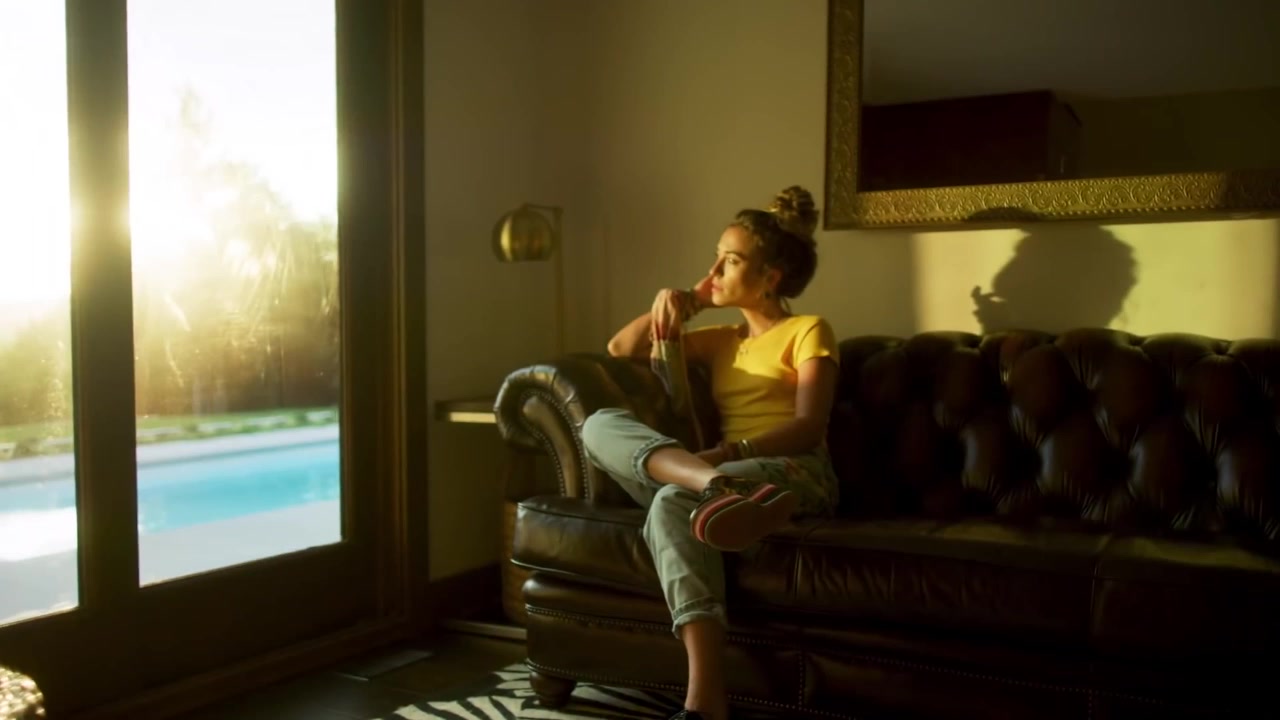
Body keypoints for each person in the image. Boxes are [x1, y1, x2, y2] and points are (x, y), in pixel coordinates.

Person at [580, 186, 840, 720]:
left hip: (793, 471)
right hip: (721, 478)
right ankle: (715, 489)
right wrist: (689, 300)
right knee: (599, 424)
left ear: (770, 278)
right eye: (715, 258)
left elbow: (809, 427)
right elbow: (621, 349)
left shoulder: (808, 330)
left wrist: (726, 454)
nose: (714, 270)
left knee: (670, 502)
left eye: (731, 261)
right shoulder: (724, 340)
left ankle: (703, 704)